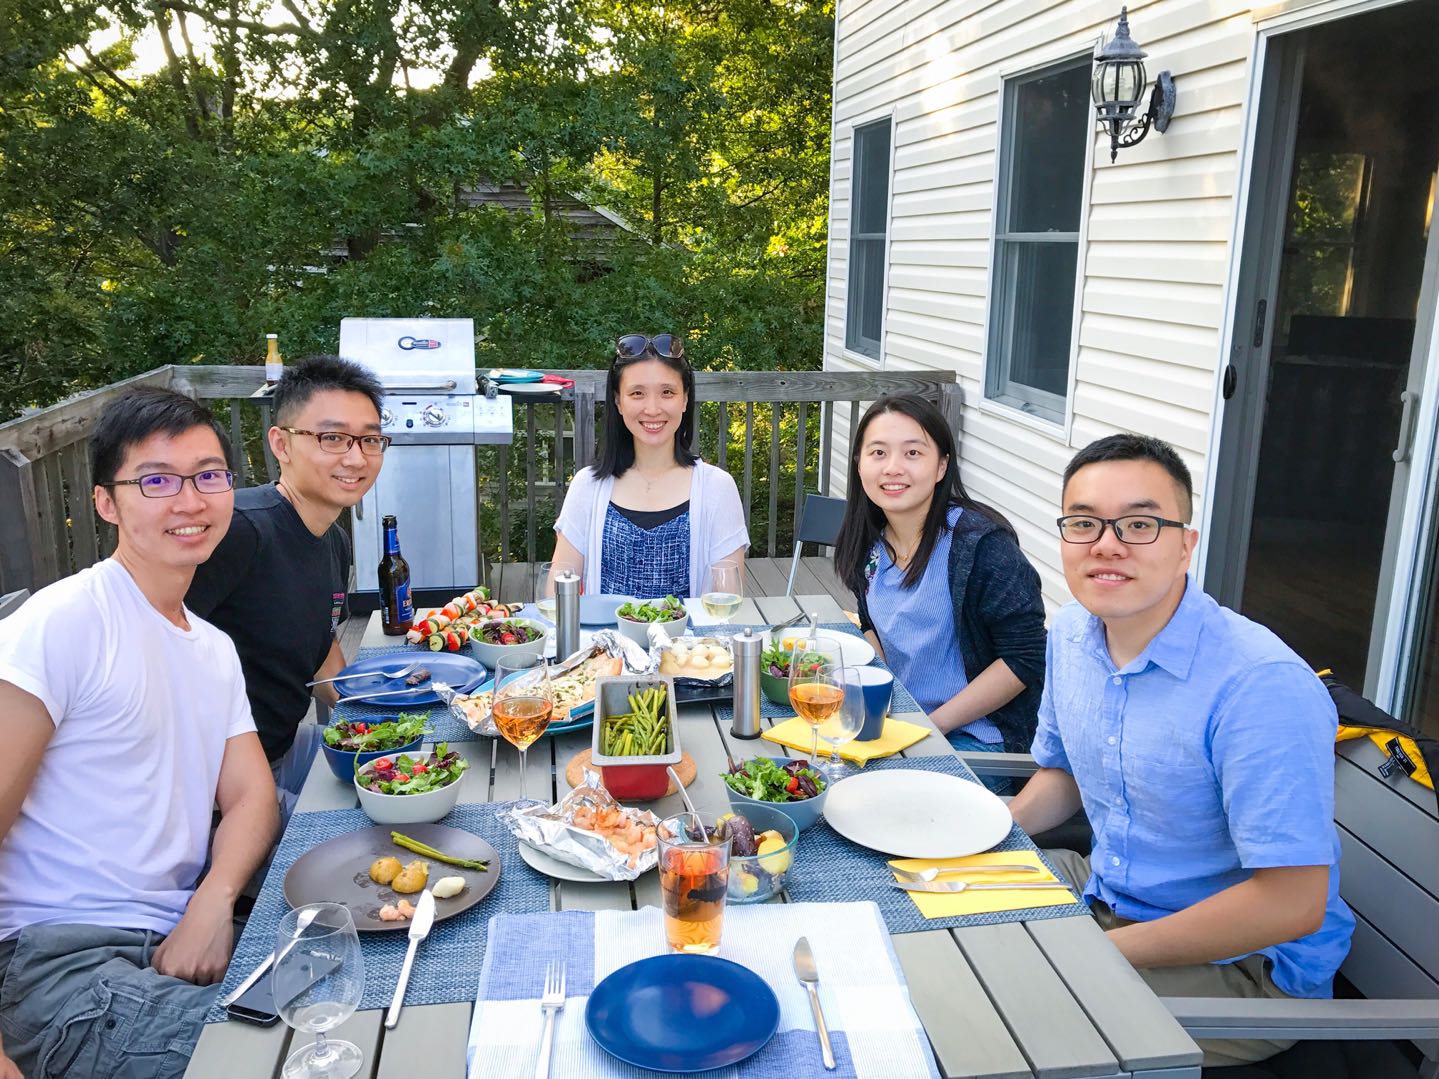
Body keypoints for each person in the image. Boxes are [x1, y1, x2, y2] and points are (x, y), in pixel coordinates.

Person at [1008, 433, 1354, 1068]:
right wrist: (981, 835)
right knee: (927, 906)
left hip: (1244, 968)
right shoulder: (1073, 635)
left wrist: (1091, 955)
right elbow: (1065, 775)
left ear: (1185, 546)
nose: (1106, 544)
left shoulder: (1259, 685)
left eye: (1139, 524)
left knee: (1001, 1018)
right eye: (1084, 523)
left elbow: (1293, 902)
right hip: (1108, 898)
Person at [0, 388, 278, 1079]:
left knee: (368, 982)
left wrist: (212, 902)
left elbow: (252, 797)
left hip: (171, 938)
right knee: (290, 1058)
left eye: (208, 475)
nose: (189, 500)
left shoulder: (211, 647)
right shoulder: (64, 622)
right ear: (106, 503)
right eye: (156, 481)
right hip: (60, 965)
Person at [187, 356, 385, 819]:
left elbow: (321, 648)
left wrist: (371, 719)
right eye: (332, 437)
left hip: (284, 747)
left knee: (423, 764)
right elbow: (151, 646)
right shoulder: (239, 531)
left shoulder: (332, 540)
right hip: (218, 787)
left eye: (370, 439)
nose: (356, 458)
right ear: (282, 444)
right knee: (373, 836)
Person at [833, 394, 1046, 759]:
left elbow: (1024, 657)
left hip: (978, 740)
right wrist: (881, 699)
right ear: (859, 462)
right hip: (901, 720)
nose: (893, 468)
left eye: (913, 453)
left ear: (941, 466)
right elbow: (869, 623)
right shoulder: (869, 540)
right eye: (878, 452)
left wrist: (929, 727)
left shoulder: (981, 546)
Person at [551, 334, 747, 598]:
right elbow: (556, 593)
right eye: (637, 393)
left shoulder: (717, 488)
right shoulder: (587, 486)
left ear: (685, 399)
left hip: (692, 629)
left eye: (667, 392)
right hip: (600, 628)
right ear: (618, 401)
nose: (653, 409)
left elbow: (727, 604)